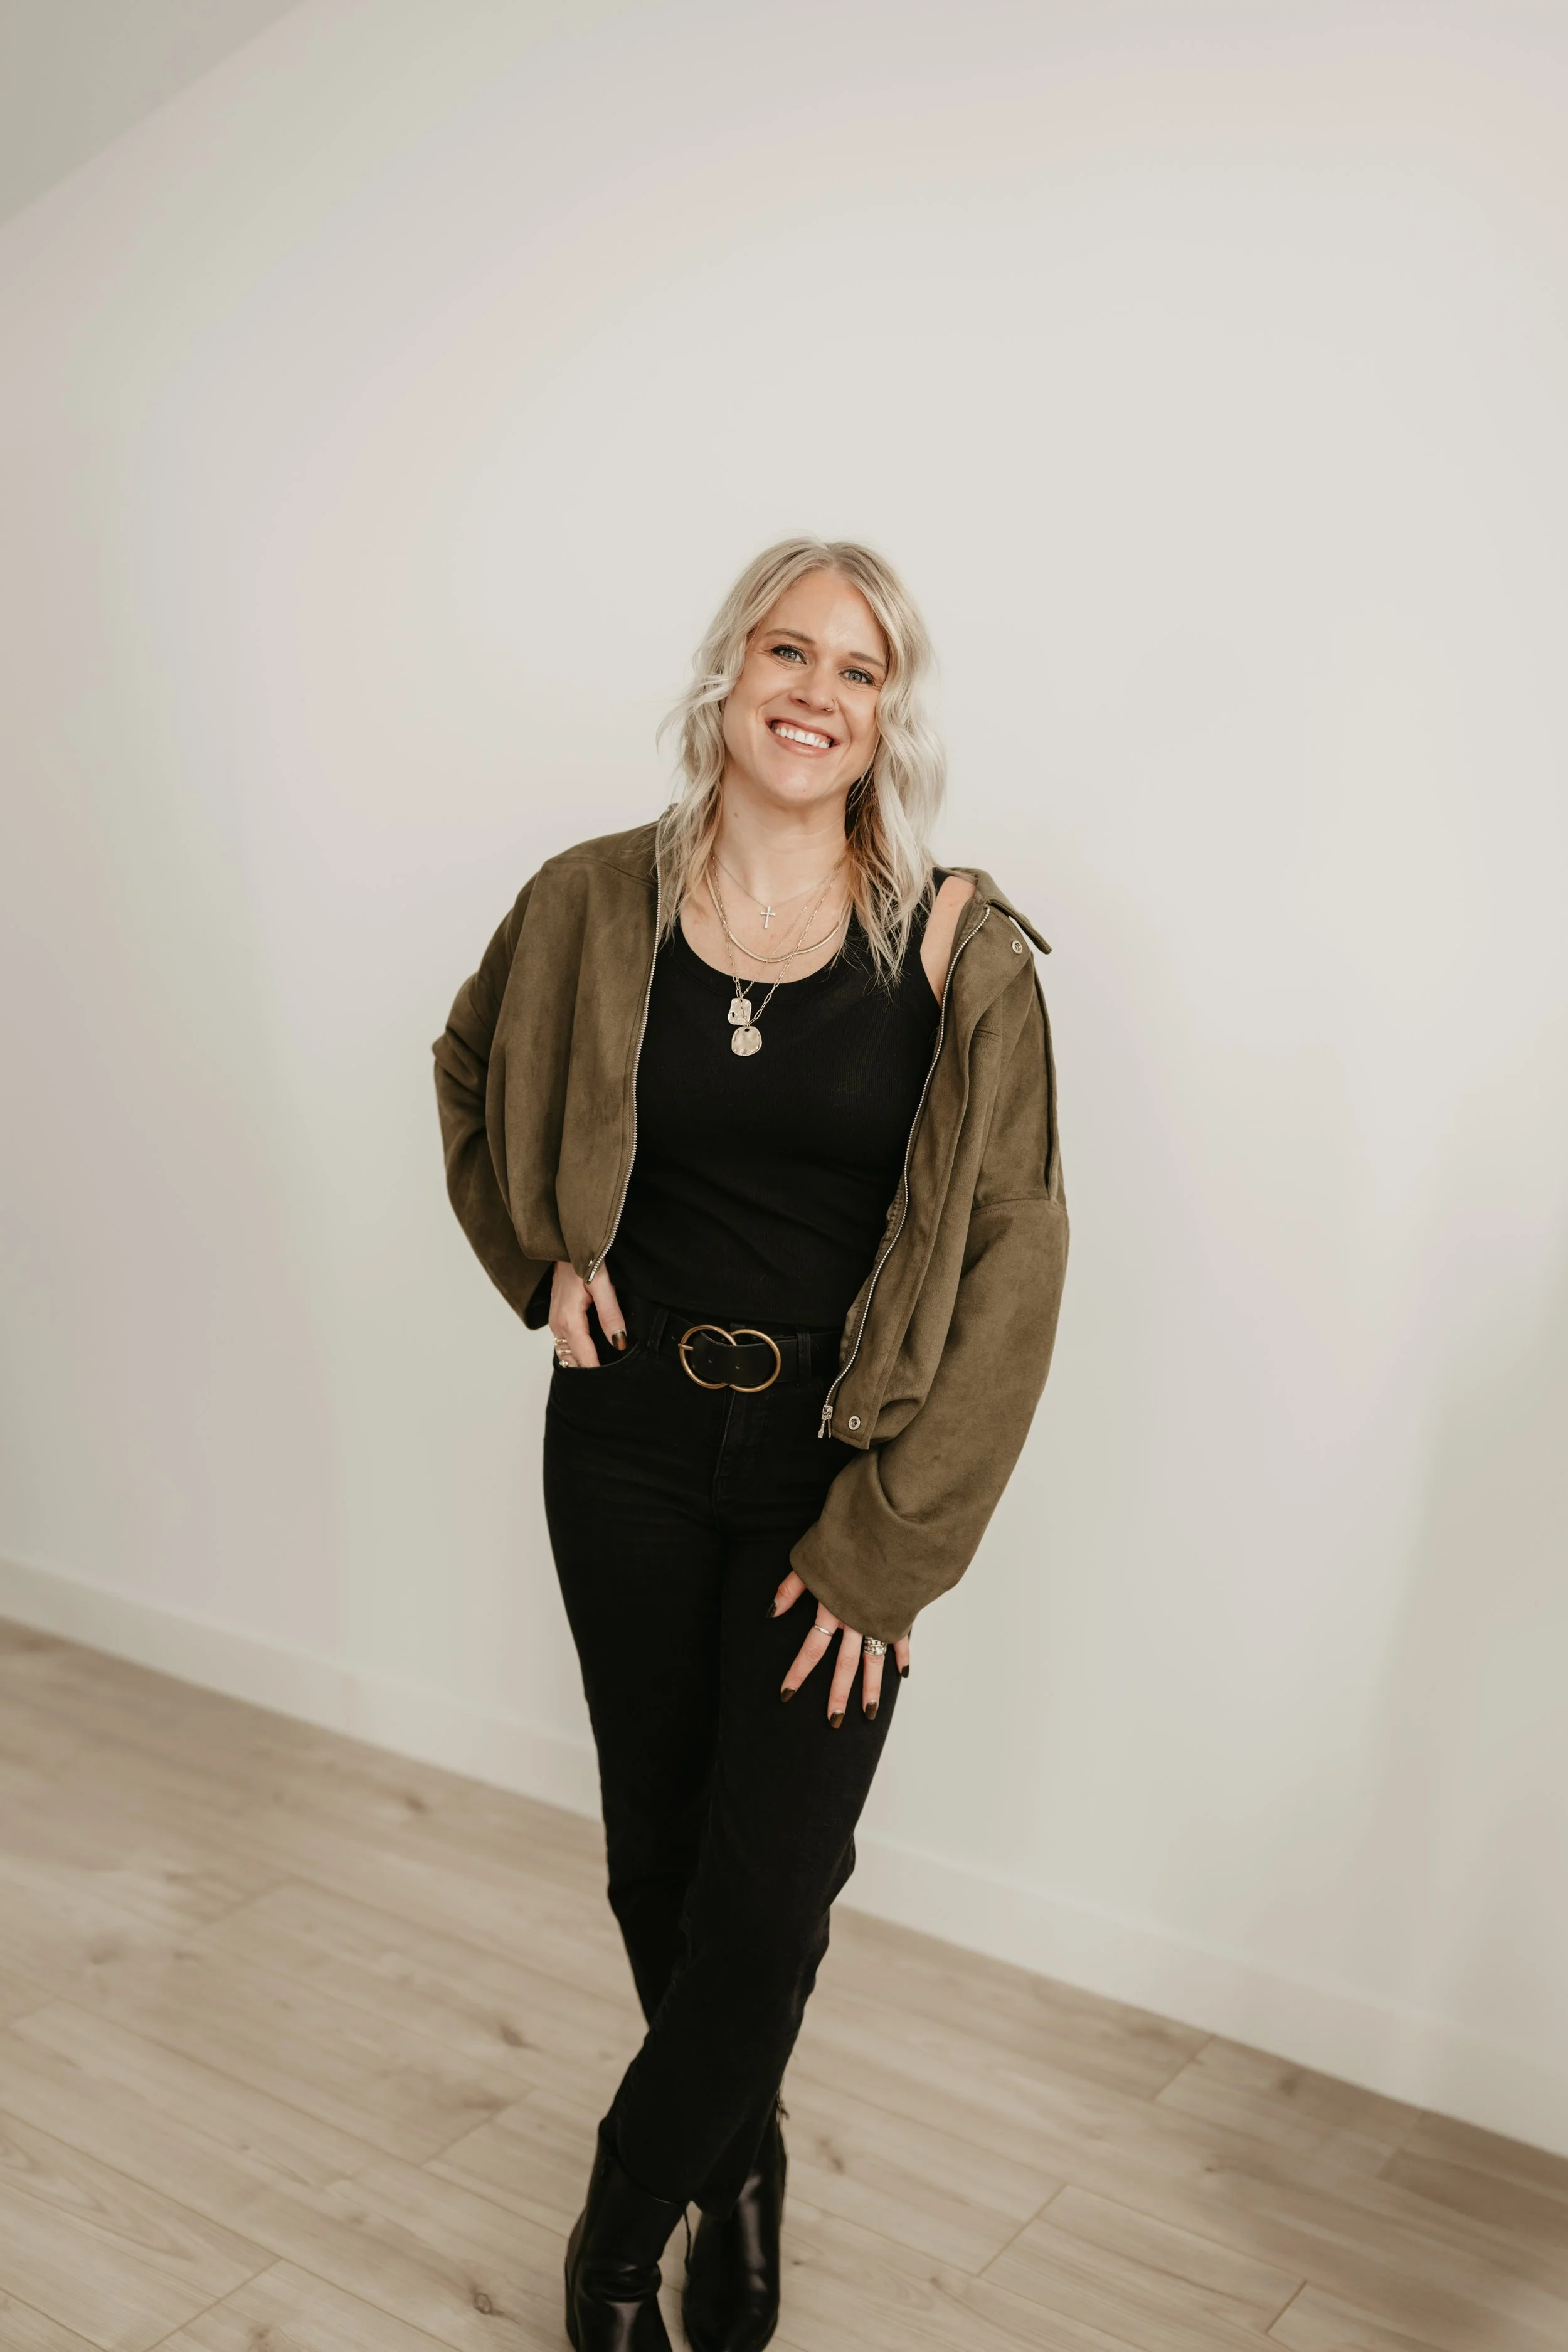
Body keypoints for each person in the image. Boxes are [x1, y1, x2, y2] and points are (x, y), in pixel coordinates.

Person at [432, 538, 1067, 2352]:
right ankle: (749, 2155)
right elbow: (466, 1066)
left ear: (887, 717)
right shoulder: (586, 899)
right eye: (785, 648)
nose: (813, 688)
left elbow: (1016, 1258)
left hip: (827, 1469)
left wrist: (888, 1550)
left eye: (856, 669)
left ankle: (628, 2217)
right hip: (621, 1438)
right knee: (661, 1850)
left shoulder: (956, 949)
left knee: (770, 1885)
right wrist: (533, 1257)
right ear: (726, 672)